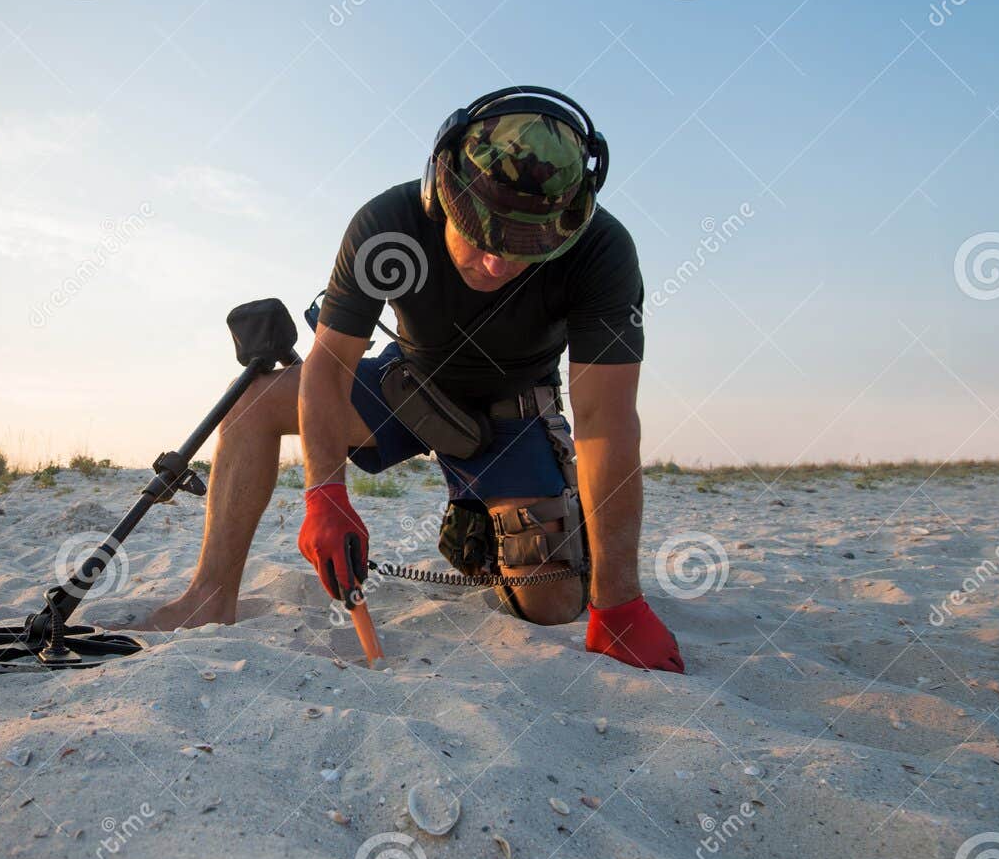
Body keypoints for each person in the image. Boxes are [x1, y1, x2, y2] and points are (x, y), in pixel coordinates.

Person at [145, 86, 685, 673]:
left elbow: (606, 421)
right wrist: (325, 494)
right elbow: (327, 368)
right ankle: (209, 596)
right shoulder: (388, 224)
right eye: (483, 235)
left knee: (552, 606)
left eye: (530, 244)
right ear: (440, 192)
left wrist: (620, 603)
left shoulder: (601, 252)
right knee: (251, 403)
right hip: (408, 387)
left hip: (516, 414)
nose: (500, 263)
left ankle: (486, 515)